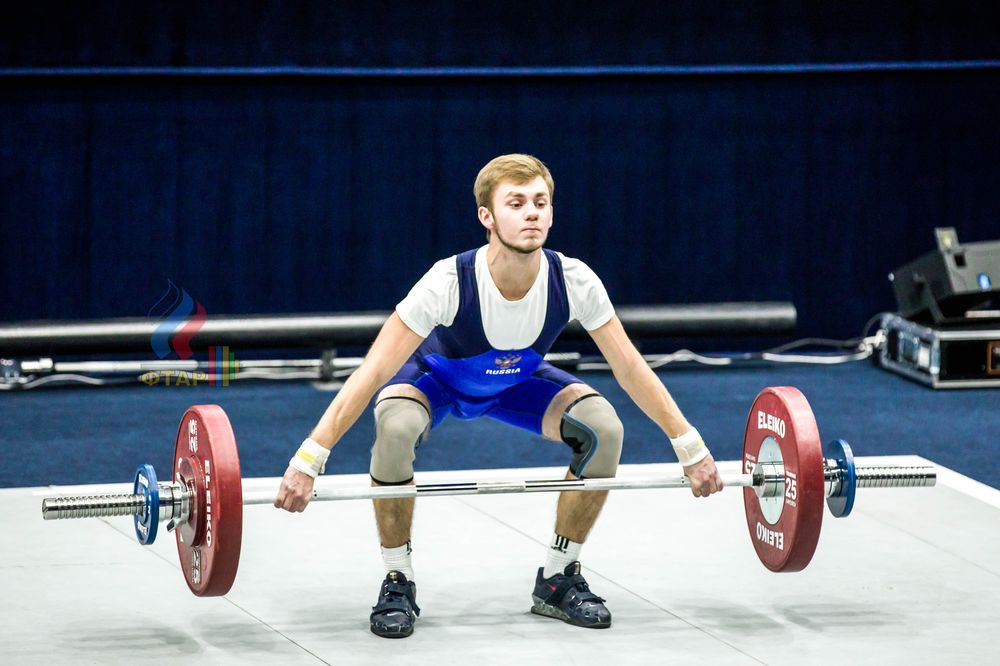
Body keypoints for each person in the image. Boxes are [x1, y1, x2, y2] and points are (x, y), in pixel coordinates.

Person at [274, 153, 723, 638]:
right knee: (395, 428)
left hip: (517, 384)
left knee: (604, 428)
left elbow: (630, 368)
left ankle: (557, 579)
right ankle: (397, 579)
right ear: (487, 216)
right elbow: (373, 371)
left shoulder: (573, 279)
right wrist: (308, 460)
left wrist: (691, 449)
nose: (531, 213)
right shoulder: (447, 281)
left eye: (540, 202)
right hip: (435, 381)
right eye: (516, 203)